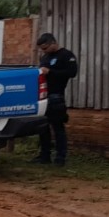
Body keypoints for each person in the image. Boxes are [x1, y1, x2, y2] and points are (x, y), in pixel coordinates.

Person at [32, 33, 78, 166]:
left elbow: (72, 73)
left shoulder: (66, 55)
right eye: (41, 49)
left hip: (56, 96)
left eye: (45, 48)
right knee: (43, 127)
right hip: (43, 95)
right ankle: (44, 156)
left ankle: (60, 158)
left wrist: (51, 72)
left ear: (53, 43)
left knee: (58, 127)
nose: (43, 51)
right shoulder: (45, 57)